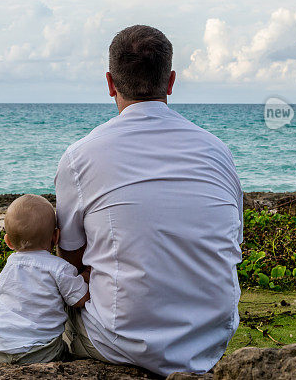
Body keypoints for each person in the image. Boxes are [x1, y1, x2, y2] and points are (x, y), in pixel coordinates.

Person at [56, 25, 244, 376]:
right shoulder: (217, 151)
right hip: (210, 335)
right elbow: (232, 241)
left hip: (118, 339)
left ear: (110, 83)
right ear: (170, 82)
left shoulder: (80, 156)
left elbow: (70, 257)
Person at [0, 194, 90, 368]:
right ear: (56, 237)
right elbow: (80, 299)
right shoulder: (59, 268)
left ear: (8, 241)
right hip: (39, 354)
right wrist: (86, 275)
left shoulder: (10, 264)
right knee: (64, 346)